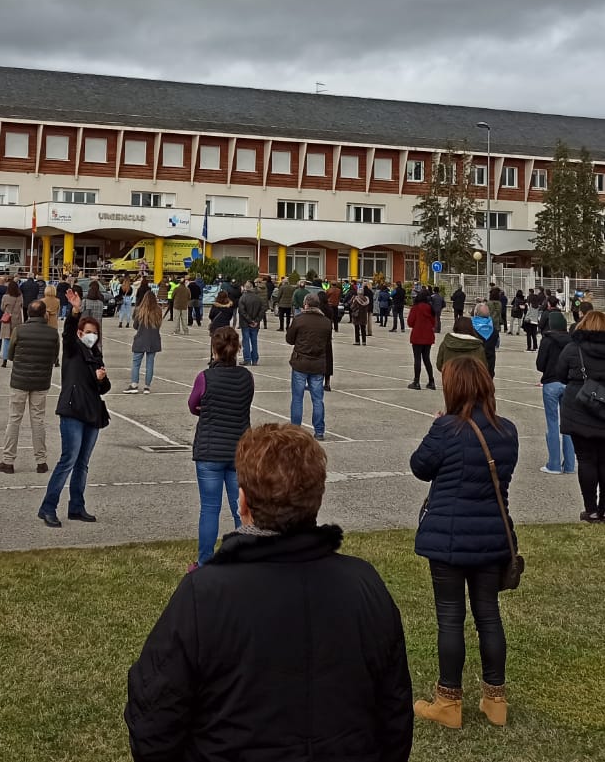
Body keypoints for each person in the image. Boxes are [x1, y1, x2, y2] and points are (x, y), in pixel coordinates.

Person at [125, 424, 411, 762]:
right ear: (316, 499)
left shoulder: (204, 596)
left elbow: (153, 718)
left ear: (242, 501)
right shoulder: (364, 585)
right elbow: (395, 716)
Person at [411, 355, 518, 729]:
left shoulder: (446, 431)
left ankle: (448, 700)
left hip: (449, 536)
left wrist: (437, 426)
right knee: (488, 615)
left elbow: (419, 466)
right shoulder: (508, 431)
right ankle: (495, 698)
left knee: (451, 617)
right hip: (491, 536)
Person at [546, 309, 605, 523]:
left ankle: (591, 509)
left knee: (586, 460)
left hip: (580, 406)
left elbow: (561, 374)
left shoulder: (573, 348)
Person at [38, 291, 110, 528]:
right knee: (68, 459)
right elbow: (67, 333)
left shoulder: (96, 354)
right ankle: (48, 507)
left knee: (83, 463)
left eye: (94, 333)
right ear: (81, 334)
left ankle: (77, 506)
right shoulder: (72, 349)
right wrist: (75, 311)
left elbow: (104, 388)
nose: (91, 336)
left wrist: (101, 379)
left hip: (92, 413)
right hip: (72, 410)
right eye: (88, 332)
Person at [186, 325, 252, 568]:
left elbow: (193, 404)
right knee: (241, 509)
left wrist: (206, 407)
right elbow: (244, 401)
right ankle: (244, 556)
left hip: (210, 449)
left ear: (214, 349)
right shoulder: (246, 376)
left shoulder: (205, 377)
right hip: (238, 449)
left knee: (210, 509)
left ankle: (204, 560)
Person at [0, 300, 58, 475]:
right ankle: (41, 460)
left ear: (29, 314)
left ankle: (8, 460)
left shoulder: (20, 330)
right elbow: (55, 358)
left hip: (19, 380)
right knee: (38, 420)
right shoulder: (53, 333)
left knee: (14, 419)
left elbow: (10, 355)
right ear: (43, 314)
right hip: (41, 381)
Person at [285, 293, 332, 442]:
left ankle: (295, 430)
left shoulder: (299, 320)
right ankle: (319, 431)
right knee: (318, 399)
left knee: (297, 398)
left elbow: (290, 339)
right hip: (318, 363)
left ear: (306, 304)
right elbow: (327, 342)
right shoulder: (326, 322)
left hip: (301, 362)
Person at [534, 308, 575, 476]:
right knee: (568, 424)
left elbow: (540, 365)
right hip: (568, 383)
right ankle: (570, 464)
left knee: (552, 424)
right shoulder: (572, 341)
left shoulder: (547, 341)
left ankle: (554, 464)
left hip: (551, 382)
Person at [128, 288, 162, 394]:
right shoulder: (158, 311)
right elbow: (159, 325)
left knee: (136, 363)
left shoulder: (139, 310)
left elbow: (135, 326)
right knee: (150, 364)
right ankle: (147, 386)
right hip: (154, 340)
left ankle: (134, 384)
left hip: (141, 339)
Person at [407, 293, 436, 391]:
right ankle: (431, 381)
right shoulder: (430, 308)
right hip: (428, 336)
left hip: (418, 335)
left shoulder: (415, 308)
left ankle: (416, 381)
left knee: (417, 359)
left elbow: (410, 322)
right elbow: (433, 322)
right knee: (426, 358)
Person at [237, 282, 265, 366]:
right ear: (252, 288)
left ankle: (247, 359)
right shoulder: (258, 298)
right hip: (255, 324)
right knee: (254, 341)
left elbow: (242, 311)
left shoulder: (242, 298)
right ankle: (255, 359)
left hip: (245, 323)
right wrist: (256, 321)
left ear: (245, 288)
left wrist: (250, 321)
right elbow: (262, 310)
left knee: (246, 341)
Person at [0, 279, 23, 363]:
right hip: (17, 318)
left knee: (6, 340)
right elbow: (22, 306)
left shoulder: (5, 297)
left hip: (7, 318)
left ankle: (5, 359)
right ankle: (15, 357)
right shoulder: (20, 296)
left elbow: (2, 308)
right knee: (16, 339)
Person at [469, 303, 500, 377]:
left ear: (475, 313)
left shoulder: (471, 328)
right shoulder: (494, 330)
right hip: (489, 364)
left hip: (474, 364)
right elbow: (497, 344)